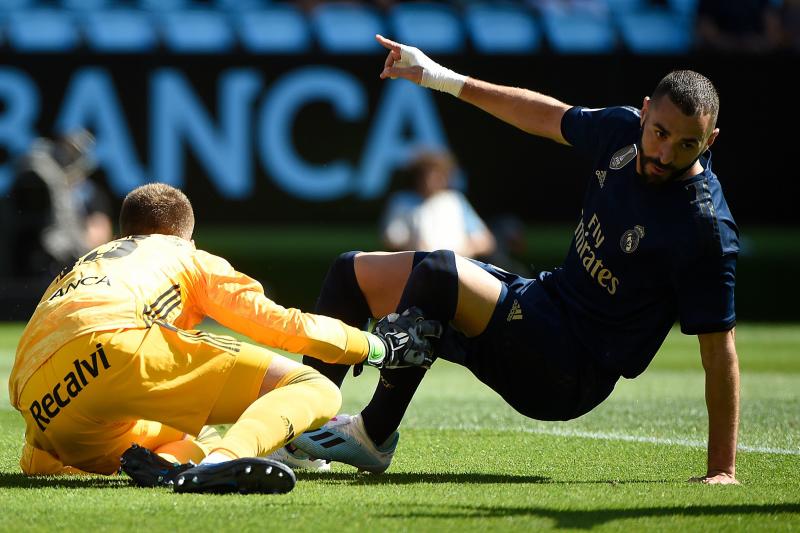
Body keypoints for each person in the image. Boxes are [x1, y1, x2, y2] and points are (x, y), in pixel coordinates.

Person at [293, 34, 741, 485]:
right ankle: (300, 431)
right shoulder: (622, 131)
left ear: (711, 139)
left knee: (439, 275)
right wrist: (438, 76)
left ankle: (373, 435)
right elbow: (543, 115)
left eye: (687, 144)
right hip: (544, 305)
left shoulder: (704, 228)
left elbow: (718, 351)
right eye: (660, 133)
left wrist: (722, 469)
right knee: (351, 273)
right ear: (644, 111)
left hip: (569, 369)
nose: (666, 154)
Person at [8, 182, 439, 494]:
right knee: (316, 389)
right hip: (117, 346)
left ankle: (176, 466)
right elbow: (280, 325)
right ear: (186, 235)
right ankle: (224, 464)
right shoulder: (183, 254)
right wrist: (376, 346)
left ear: (124, 234)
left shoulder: (85, 262)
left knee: (199, 433)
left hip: (44, 411)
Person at [381, 149, 496, 259]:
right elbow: (392, 239)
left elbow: (486, 242)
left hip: (457, 270)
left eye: (437, 176)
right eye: (426, 176)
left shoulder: (455, 200)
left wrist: (458, 253)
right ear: (417, 177)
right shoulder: (401, 201)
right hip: (417, 271)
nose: (431, 181)